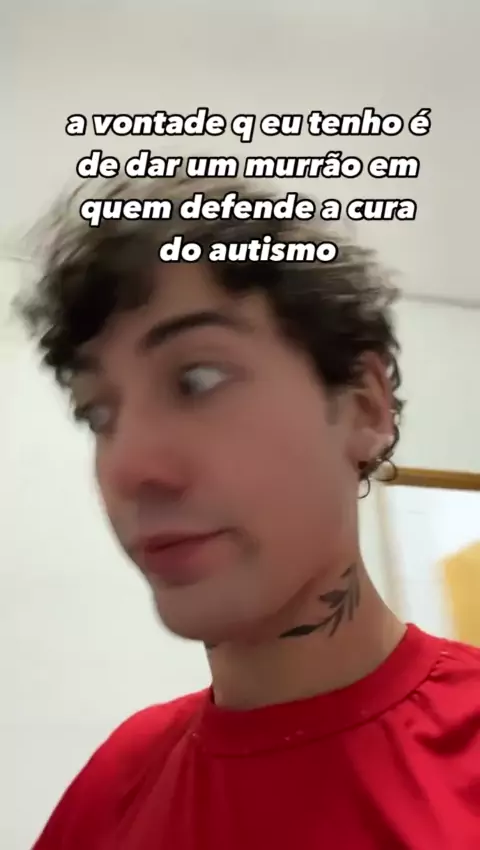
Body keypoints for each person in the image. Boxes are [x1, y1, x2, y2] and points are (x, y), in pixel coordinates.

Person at [21, 177, 480, 849]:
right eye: (98, 413)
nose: (128, 467)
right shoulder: (115, 785)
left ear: (364, 406)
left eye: (198, 380)